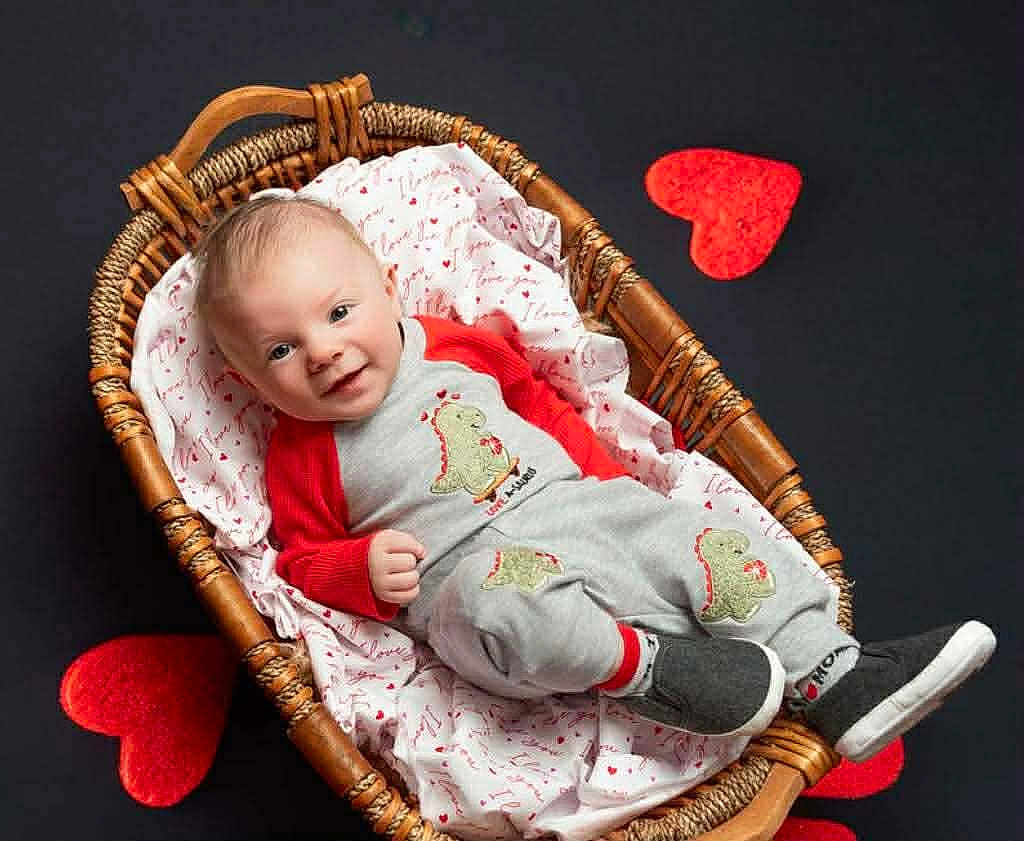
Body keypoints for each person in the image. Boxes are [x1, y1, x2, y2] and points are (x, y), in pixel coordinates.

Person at [193, 192, 996, 758]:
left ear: (387, 288)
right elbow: (298, 559)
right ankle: (654, 671)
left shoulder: (452, 345)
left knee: (703, 540)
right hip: (476, 586)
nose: (323, 350)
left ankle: (835, 671)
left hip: (576, 506)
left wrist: (606, 481)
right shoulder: (301, 453)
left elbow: (534, 400)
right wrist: (359, 569)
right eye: (279, 350)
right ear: (250, 384)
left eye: (337, 313)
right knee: (498, 603)